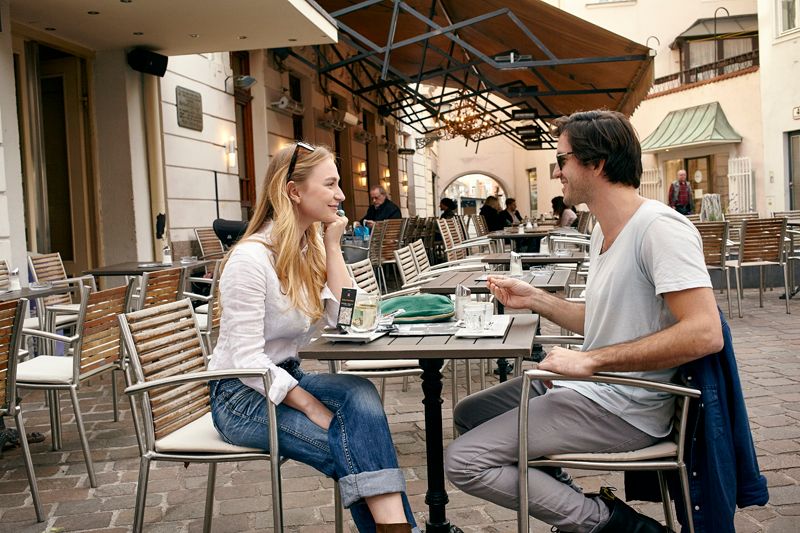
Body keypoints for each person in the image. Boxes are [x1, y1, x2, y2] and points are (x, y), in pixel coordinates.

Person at [445, 110, 723, 532]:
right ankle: (571, 504)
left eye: (563, 160)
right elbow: (610, 319)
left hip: (627, 405)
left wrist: (590, 362)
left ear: (598, 162)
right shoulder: (603, 230)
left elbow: (705, 333)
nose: (557, 171)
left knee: (465, 461)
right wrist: (536, 298)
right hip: (591, 387)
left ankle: (613, 525)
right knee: (470, 413)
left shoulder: (660, 228)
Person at [208, 142, 418, 533]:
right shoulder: (249, 260)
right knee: (354, 446)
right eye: (331, 184)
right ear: (294, 191)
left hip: (285, 377)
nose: (341, 195)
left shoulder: (308, 249)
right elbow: (247, 361)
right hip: (239, 395)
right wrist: (310, 406)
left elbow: (350, 319)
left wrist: (333, 246)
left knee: (360, 394)